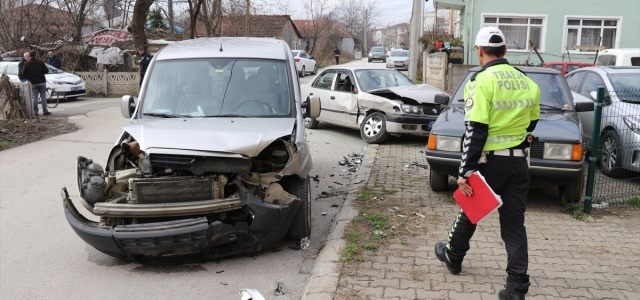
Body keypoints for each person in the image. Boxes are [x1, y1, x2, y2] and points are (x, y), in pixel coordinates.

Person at [433, 27, 540, 300]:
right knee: (514, 227)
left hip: (489, 164)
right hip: (519, 165)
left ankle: (454, 256)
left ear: (479, 51)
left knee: (470, 208)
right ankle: (516, 288)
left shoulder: (481, 81)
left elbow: (475, 130)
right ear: (505, 51)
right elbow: (532, 124)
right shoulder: (527, 81)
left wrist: (464, 171)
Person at [22, 50, 51, 116]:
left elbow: (23, 73)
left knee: (34, 97)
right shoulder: (40, 62)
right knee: (43, 96)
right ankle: (45, 110)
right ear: (36, 55)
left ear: (30, 56)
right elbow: (46, 71)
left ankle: (35, 112)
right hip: (41, 81)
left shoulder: (27, 63)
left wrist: (29, 75)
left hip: (33, 82)